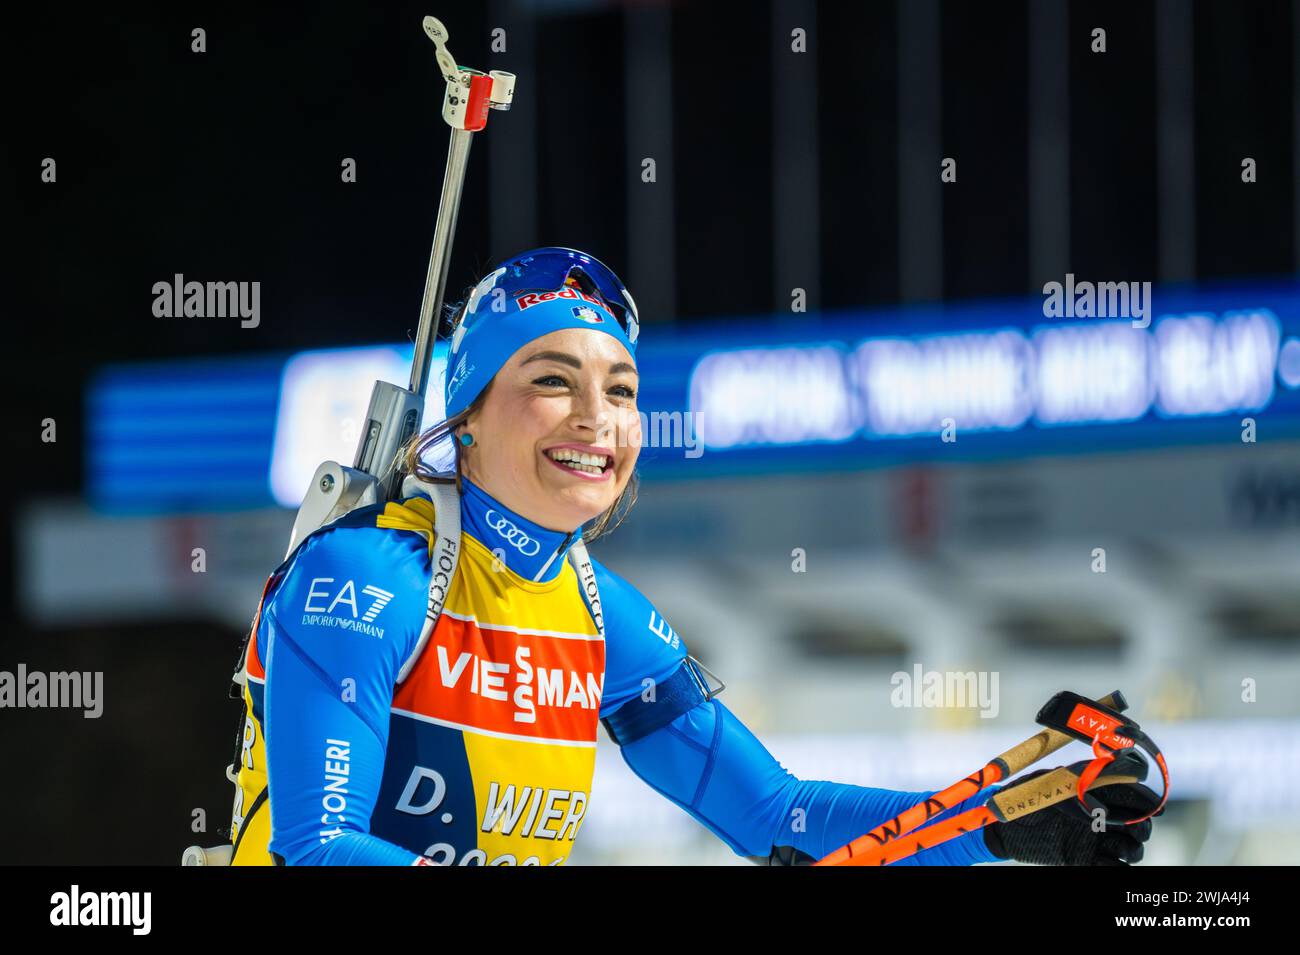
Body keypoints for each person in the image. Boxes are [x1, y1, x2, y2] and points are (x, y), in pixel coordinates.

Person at [224, 247, 1161, 866]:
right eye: (551, 380)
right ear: (465, 419)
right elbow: (317, 848)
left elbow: (777, 814)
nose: (596, 416)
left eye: (621, 389)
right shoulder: (368, 577)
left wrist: (998, 818)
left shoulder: (601, 613)